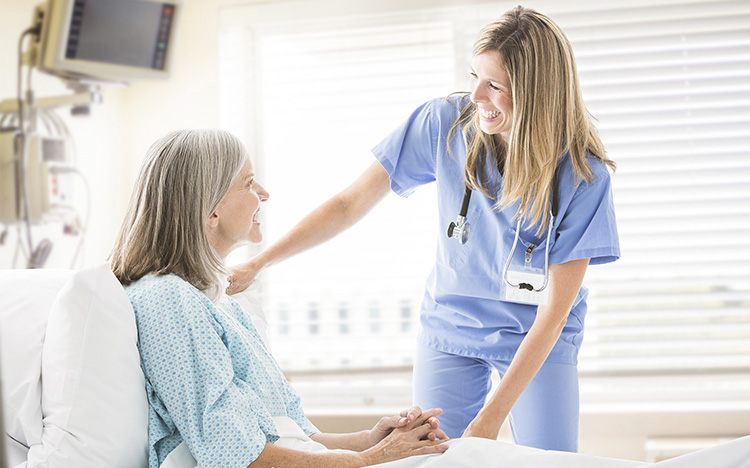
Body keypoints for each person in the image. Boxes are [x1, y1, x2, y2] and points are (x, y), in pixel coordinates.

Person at [227, 6, 619, 452]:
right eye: (473, 75)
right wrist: (259, 262)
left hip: (537, 335)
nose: (475, 95)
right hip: (452, 325)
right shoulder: (444, 124)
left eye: (494, 85)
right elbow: (348, 203)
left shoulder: (584, 177)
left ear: (537, 94)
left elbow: (553, 315)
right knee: (432, 455)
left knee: (549, 461)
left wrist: (490, 420)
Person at [109, 129, 448, 468]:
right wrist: (370, 459)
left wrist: (370, 440)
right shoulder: (166, 301)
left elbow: (293, 433)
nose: (264, 194)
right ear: (210, 210)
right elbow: (233, 454)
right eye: (249, 183)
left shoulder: (220, 304)